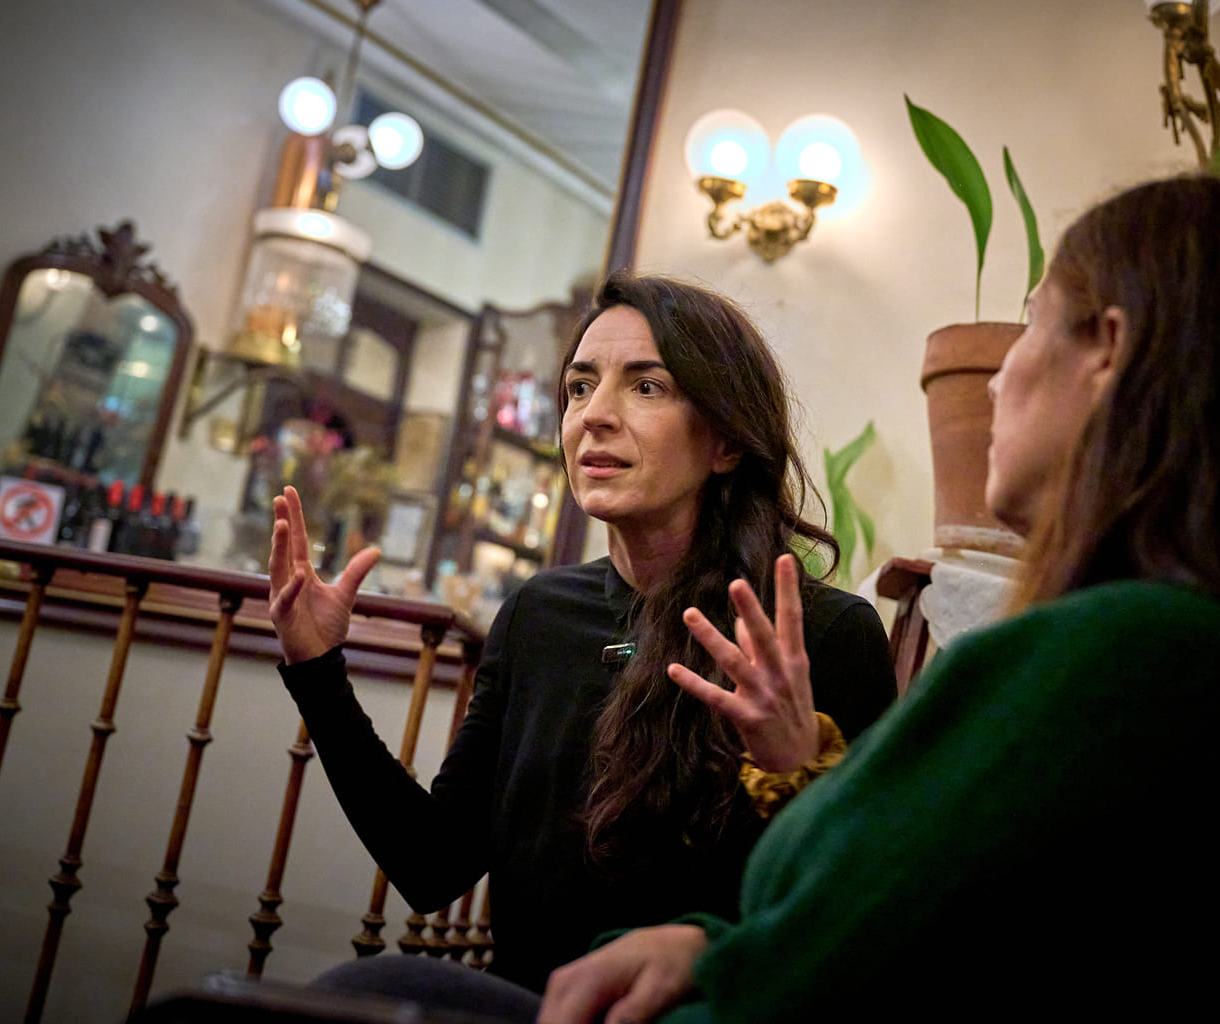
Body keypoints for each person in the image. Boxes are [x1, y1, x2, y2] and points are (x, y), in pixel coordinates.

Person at [534, 174, 1220, 1022]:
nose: (1001, 376)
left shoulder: (1118, 652)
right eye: (578, 387)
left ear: (1107, 351)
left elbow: (840, 954)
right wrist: (719, 942)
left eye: (1030, 328)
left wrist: (722, 946)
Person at [267, 271, 897, 1009]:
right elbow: (431, 864)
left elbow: (855, 914)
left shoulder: (821, 635)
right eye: (578, 387)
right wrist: (318, 669)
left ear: (726, 441)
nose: (594, 416)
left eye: (647, 387)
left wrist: (795, 766)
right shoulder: (537, 617)